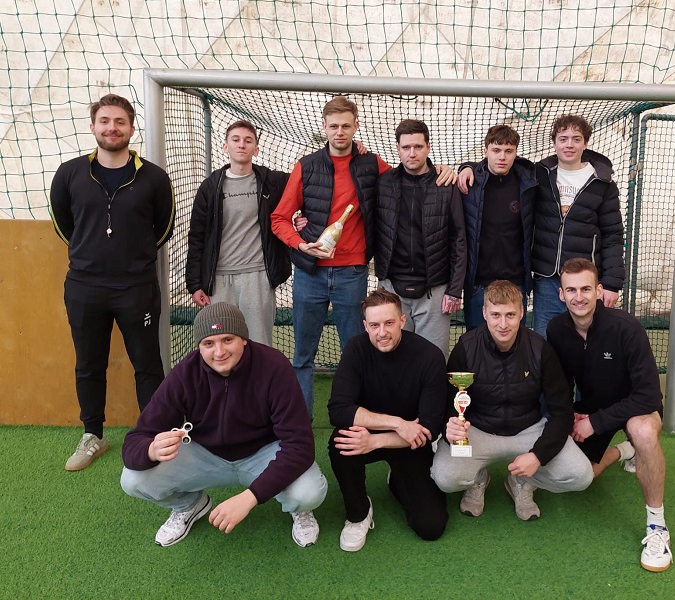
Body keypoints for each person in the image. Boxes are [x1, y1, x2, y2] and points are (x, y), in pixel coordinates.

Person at [271, 96, 455, 418]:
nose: (339, 132)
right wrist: (301, 244)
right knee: (302, 356)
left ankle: (359, 420)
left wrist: (445, 170)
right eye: (333, 126)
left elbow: (410, 173)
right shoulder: (306, 166)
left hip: (352, 275)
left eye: (346, 126)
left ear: (356, 126)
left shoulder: (372, 164)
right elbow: (279, 218)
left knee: (358, 353)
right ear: (324, 127)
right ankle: (299, 425)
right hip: (309, 275)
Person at [120, 302, 327, 548]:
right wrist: (151, 450)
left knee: (308, 493)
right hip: (206, 455)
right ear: (199, 347)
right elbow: (136, 439)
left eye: (228, 340)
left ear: (244, 339)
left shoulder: (274, 366)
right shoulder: (185, 373)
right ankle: (189, 505)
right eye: (209, 343)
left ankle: (298, 509)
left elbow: (300, 445)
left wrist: (251, 497)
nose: (219, 352)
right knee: (132, 479)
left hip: (263, 454)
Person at [49, 94, 175, 471]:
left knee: (147, 363)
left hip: (137, 287)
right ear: (93, 127)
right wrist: (92, 254)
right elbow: (63, 224)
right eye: (104, 121)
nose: (112, 128)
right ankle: (93, 435)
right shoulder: (69, 174)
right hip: (84, 287)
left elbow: (164, 227)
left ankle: (154, 436)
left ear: (131, 129)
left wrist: (131, 258)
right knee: (89, 364)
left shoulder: (154, 177)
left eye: (120, 122)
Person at [547, 258, 672, 572]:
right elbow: (561, 385)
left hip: (636, 410)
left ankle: (657, 527)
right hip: (594, 409)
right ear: (561, 294)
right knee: (581, 477)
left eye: (586, 289)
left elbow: (648, 396)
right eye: (571, 290)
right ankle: (623, 451)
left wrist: (595, 422)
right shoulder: (557, 330)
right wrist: (571, 416)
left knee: (642, 432)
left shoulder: (627, 328)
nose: (579, 297)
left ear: (599, 291)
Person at [431, 280, 593, 521]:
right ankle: (478, 479)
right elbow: (449, 403)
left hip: (529, 430)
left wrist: (538, 456)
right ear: (484, 313)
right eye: (495, 315)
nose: (503, 324)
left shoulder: (540, 349)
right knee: (445, 478)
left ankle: (522, 481)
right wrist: (451, 427)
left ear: (521, 313)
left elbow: (562, 411)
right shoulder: (466, 347)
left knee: (580, 476)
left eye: (510, 315)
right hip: (479, 430)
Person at [328, 288, 449, 551]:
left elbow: (429, 427)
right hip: (387, 431)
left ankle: (397, 480)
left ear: (402, 321)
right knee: (341, 441)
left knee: (431, 526)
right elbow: (338, 410)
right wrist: (398, 423)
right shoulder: (356, 349)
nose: (382, 332)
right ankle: (358, 513)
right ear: (365, 326)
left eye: (389, 323)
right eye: (374, 325)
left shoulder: (429, 356)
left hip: (410, 443)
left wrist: (376, 441)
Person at [185, 120, 290, 347]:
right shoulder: (210, 187)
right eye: (236, 139)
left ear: (256, 149)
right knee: (221, 343)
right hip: (219, 279)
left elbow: (307, 181)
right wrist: (194, 284)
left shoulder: (272, 182)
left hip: (258, 276)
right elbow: (197, 236)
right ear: (226, 147)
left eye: (248, 140)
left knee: (259, 344)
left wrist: (354, 148)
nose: (241, 144)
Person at [374, 119, 466, 357]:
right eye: (406, 147)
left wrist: (454, 289)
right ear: (398, 148)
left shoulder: (446, 184)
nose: (412, 153)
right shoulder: (383, 183)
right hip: (392, 288)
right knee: (393, 359)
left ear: (428, 147)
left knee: (434, 360)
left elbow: (459, 239)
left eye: (418, 146)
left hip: (434, 290)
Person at [531, 114, 624, 337]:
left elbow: (612, 235)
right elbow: (501, 165)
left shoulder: (602, 183)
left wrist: (611, 284)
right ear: (554, 143)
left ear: (585, 143)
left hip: (585, 280)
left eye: (576, 139)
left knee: (587, 340)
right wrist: (468, 167)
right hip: (548, 279)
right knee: (545, 340)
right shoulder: (539, 175)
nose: (569, 145)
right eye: (563, 139)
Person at [455, 125, 536, 330]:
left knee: (514, 341)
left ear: (516, 153)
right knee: (477, 342)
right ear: (485, 151)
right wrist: (465, 167)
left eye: (508, 151)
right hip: (478, 284)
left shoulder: (528, 183)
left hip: (515, 282)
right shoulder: (471, 183)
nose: (502, 157)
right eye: (496, 150)